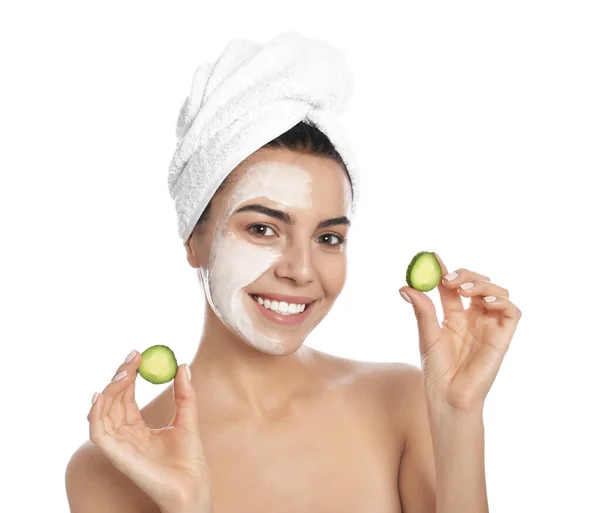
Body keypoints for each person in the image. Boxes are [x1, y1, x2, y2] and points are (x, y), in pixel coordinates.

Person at [65, 37, 522, 513]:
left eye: (328, 238)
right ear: (195, 238)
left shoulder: (401, 402)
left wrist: (457, 416)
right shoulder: (112, 466)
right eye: (263, 229)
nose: (301, 271)